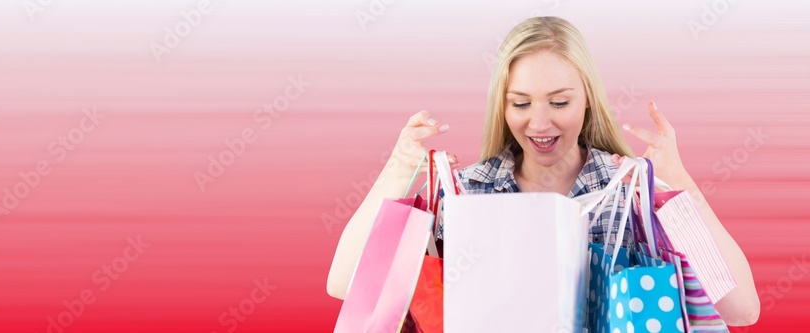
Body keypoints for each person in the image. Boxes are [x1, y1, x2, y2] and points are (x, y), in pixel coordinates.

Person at [325, 16, 759, 326]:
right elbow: (346, 284)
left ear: (588, 98)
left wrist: (680, 185)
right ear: (502, 104)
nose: (539, 122)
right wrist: (401, 166)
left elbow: (740, 309)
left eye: (559, 102)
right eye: (521, 103)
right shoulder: (464, 194)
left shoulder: (629, 191)